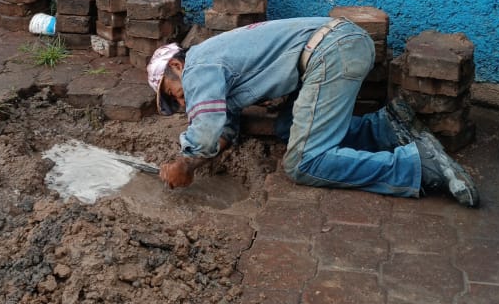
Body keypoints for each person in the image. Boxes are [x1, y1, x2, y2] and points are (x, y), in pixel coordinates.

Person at [147, 17, 479, 206]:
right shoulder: (212, 68)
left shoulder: (198, 67)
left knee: (303, 163)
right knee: (287, 129)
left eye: (172, 94)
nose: (181, 102)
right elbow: (222, 131)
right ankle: (386, 129)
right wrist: (204, 155)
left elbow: (204, 132)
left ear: (177, 65)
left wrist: (184, 164)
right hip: (338, 44)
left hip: (332, 51)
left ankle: (417, 167)